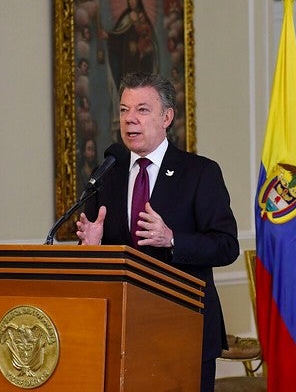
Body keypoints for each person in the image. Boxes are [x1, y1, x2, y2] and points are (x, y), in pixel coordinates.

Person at [76, 72, 239, 391]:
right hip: (125, 330)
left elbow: (226, 246)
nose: (130, 119)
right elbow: (105, 255)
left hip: (185, 326)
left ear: (167, 117)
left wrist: (172, 239)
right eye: (124, 110)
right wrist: (92, 248)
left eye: (142, 110)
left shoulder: (200, 172)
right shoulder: (106, 174)